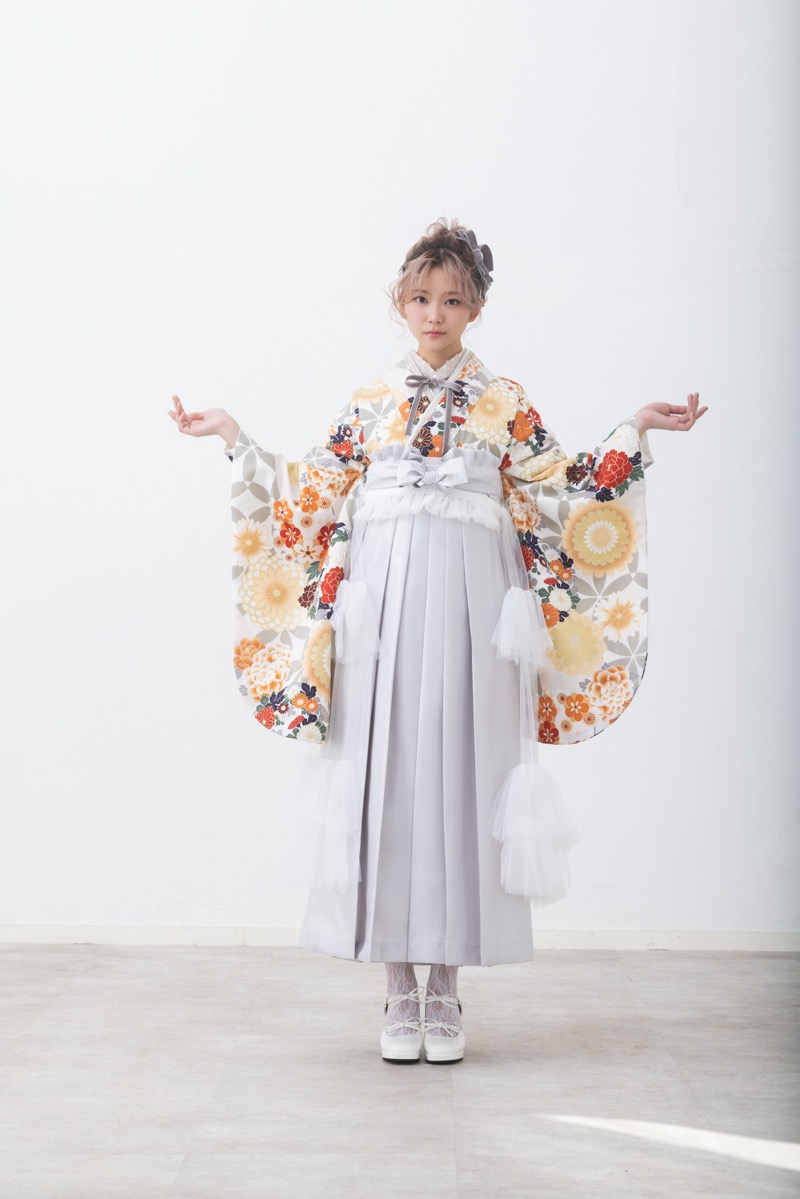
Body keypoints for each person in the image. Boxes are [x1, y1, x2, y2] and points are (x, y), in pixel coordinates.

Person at [169, 217, 707, 1065]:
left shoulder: (503, 400)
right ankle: (397, 984)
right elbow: (311, 492)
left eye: (452, 300)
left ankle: (447, 987)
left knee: (466, 766)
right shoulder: (371, 400)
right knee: (386, 767)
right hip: (382, 603)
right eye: (420, 298)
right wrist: (236, 438)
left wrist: (633, 430)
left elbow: (563, 485)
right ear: (400, 302)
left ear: (475, 309)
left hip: (475, 602)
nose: (434, 313)